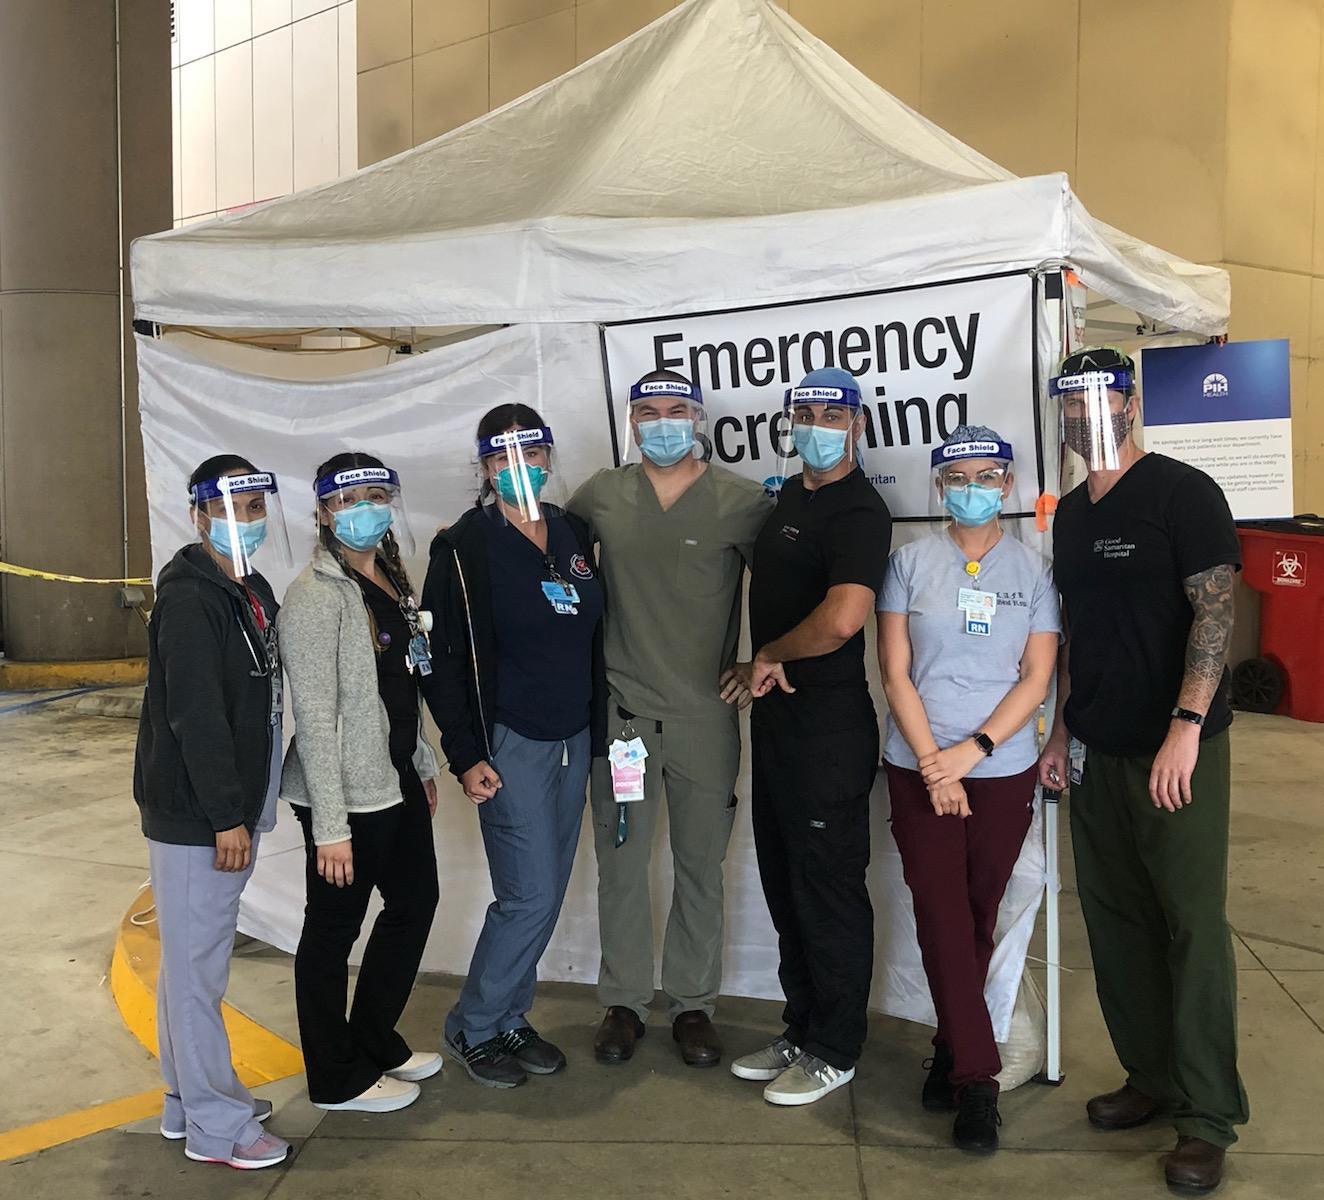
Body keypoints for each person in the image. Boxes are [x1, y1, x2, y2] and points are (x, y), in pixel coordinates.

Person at [1038, 347, 1247, 1193]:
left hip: (1176, 751)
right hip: (1095, 749)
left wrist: (1187, 726)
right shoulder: (1070, 517)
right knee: (1116, 918)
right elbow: (1077, 634)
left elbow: (1217, 611)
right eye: (1072, 399)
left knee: (1190, 925)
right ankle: (1151, 1079)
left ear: (1129, 401)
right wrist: (1059, 733)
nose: (1087, 412)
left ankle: (1207, 1116)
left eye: (1102, 394)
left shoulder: (1182, 492)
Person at [567, 369, 772, 1069]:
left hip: (704, 718)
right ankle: (623, 1000)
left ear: (699, 419)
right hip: (622, 717)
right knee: (620, 865)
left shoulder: (742, 502)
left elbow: (784, 585)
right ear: (630, 421)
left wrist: (760, 660)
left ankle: (692, 1005)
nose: (661, 423)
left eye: (675, 411)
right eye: (647, 412)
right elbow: (548, 558)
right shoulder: (603, 495)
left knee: (700, 866)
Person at [877, 426, 1059, 1151]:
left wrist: (972, 753)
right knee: (941, 911)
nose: (973, 487)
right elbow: (895, 672)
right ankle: (977, 1082)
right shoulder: (909, 563)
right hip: (918, 763)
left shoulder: (1033, 570)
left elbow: (1037, 676)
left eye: (988, 476)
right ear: (940, 486)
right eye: (959, 476)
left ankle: (951, 1047)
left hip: (1001, 767)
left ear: (1008, 486)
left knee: (981, 913)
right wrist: (934, 762)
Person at [418, 406, 605, 1088]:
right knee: (525, 895)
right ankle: (473, 1025)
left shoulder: (573, 534)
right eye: (503, 459)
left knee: (548, 892)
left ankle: (508, 1017)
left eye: (531, 454)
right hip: (510, 743)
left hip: (573, 737)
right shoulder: (464, 547)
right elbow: (436, 660)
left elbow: (591, 636)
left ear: (549, 457)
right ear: (485, 467)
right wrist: (467, 753)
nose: (518, 468)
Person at [723, 367, 892, 1106]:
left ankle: (836, 1046)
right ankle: (801, 1025)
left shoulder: (860, 509)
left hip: (828, 726)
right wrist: (758, 667)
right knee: (786, 882)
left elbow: (843, 617)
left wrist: (769, 655)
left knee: (828, 888)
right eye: (806, 413)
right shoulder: (789, 495)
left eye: (832, 414)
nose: (817, 425)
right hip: (779, 722)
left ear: (856, 424)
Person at [133, 455, 292, 1170]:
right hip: (198, 813)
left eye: (257, 508)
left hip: (225, 807)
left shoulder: (249, 589)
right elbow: (195, 716)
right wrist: (226, 815)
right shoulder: (191, 599)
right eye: (232, 509)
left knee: (188, 967)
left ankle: (184, 1099)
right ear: (198, 515)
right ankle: (218, 1127)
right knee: (199, 973)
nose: (246, 522)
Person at [280, 452, 442, 1114]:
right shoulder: (315, 597)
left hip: (392, 775)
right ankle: (335, 1077)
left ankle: (373, 1037)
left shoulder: (393, 580)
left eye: (376, 495)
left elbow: (404, 685)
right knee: (331, 931)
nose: (364, 510)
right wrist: (331, 827)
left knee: (414, 902)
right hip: (343, 790)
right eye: (349, 500)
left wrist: (421, 765)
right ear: (322, 512)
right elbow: (315, 719)